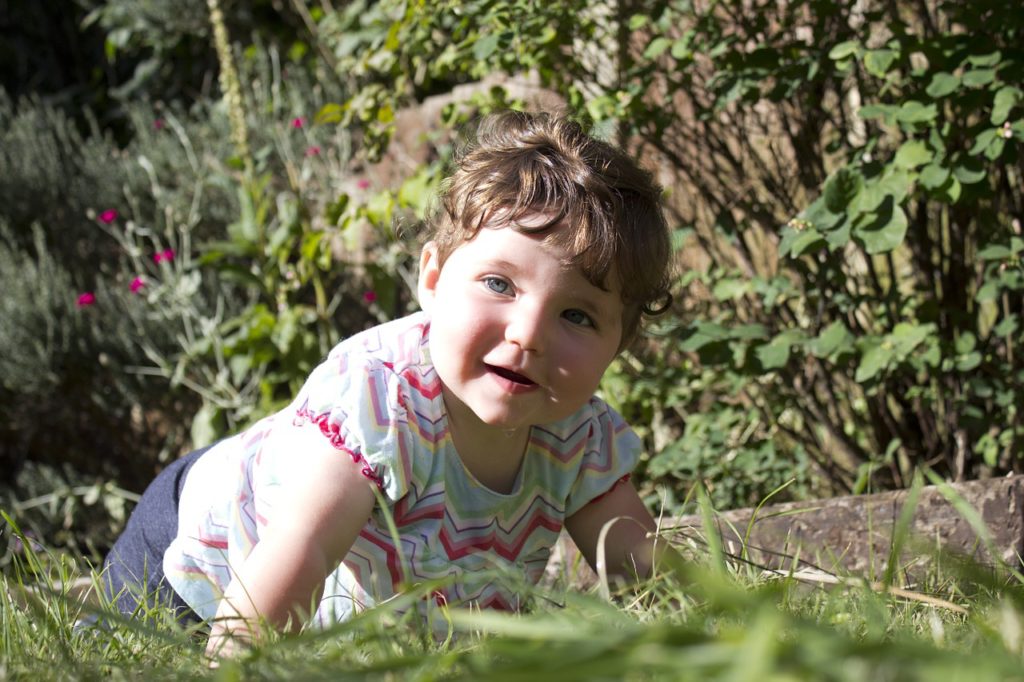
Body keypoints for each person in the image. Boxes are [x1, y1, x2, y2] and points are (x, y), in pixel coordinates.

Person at [102, 110, 675, 656]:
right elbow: (302, 547)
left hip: (368, 614)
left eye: (577, 316)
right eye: (499, 284)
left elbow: (646, 569)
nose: (529, 335)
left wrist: (729, 628)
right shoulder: (380, 400)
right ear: (432, 278)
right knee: (123, 651)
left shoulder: (577, 434)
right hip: (206, 552)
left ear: (618, 345)